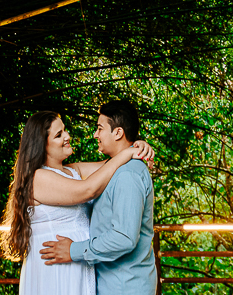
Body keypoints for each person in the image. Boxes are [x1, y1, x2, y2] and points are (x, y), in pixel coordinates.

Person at [0, 110, 154, 295]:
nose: (67, 136)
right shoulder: (38, 178)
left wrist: (136, 146)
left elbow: (112, 164)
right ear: (42, 145)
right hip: (54, 267)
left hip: (77, 263)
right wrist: (128, 152)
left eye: (64, 130)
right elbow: (88, 190)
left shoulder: (73, 171)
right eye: (59, 135)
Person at [39, 100, 157, 295]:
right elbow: (77, 180)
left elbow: (124, 238)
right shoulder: (113, 169)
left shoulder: (127, 174)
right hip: (108, 283)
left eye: (100, 129)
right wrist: (134, 148)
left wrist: (73, 250)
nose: (95, 134)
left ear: (118, 133)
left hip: (124, 286)